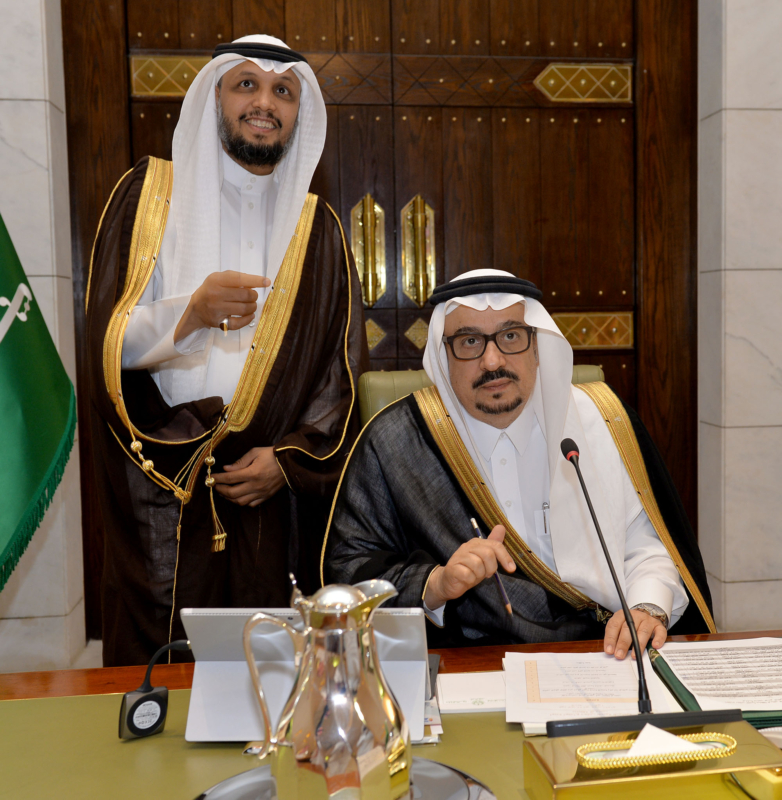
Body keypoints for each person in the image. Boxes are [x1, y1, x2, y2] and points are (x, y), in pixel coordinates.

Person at [85, 35, 367, 666]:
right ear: (215, 95)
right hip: (163, 480)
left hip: (268, 494)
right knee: (165, 672)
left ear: (299, 111)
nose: (264, 103)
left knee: (271, 668)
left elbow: (340, 374)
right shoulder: (148, 196)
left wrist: (288, 462)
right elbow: (105, 341)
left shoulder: (320, 230)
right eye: (246, 85)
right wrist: (190, 315)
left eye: (283, 90)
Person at [324, 270, 715, 658]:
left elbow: (647, 545)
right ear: (444, 354)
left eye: (510, 336)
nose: (492, 361)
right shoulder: (397, 442)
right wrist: (436, 585)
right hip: (471, 659)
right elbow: (349, 573)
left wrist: (647, 607)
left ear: (536, 345)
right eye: (469, 341)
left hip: (606, 651)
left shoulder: (602, 421)